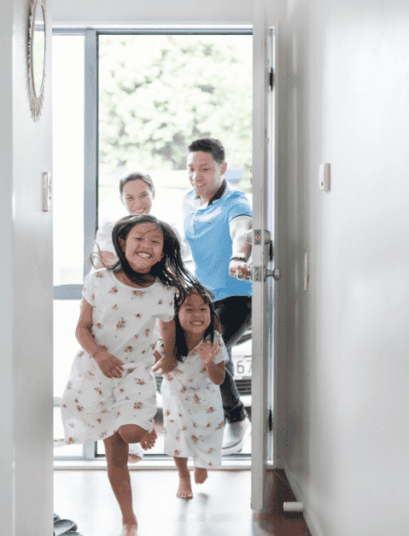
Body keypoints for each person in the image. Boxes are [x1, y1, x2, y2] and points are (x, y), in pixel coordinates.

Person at [61, 214, 193, 536]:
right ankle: (128, 518)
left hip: (134, 371)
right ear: (123, 243)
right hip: (97, 371)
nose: (146, 245)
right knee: (116, 456)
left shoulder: (163, 290)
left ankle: (141, 425)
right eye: (139, 238)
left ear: (162, 253)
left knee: (132, 433)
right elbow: (81, 329)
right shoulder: (98, 279)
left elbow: (167, 327)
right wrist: (99, 355)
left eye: (155, 241)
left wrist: (169, 356)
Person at [179, 137, 253, 454]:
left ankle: (236, 418)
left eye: (205, 169)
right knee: (217, 354)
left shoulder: (235, 201)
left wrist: (239, 256)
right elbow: (190, 246)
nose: (196, 176)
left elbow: (242, 230)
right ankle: (221, 422)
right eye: (191, 169)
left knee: (207, 349)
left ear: (222, 168)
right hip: (204, 298)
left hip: (237, 297)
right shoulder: (189, 201)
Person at [154, 284, 227, 499]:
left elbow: (219, 379)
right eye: (189, 309)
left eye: (203, 309)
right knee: (178, 437)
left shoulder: (214, 340)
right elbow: (154, 364)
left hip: (207, 399)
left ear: (211, 314)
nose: (197, 315)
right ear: (175, 314)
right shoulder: (168, 340)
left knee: (207, 434)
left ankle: (202, 462)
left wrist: (209, 361)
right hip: (176, 398)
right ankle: (183, 475)